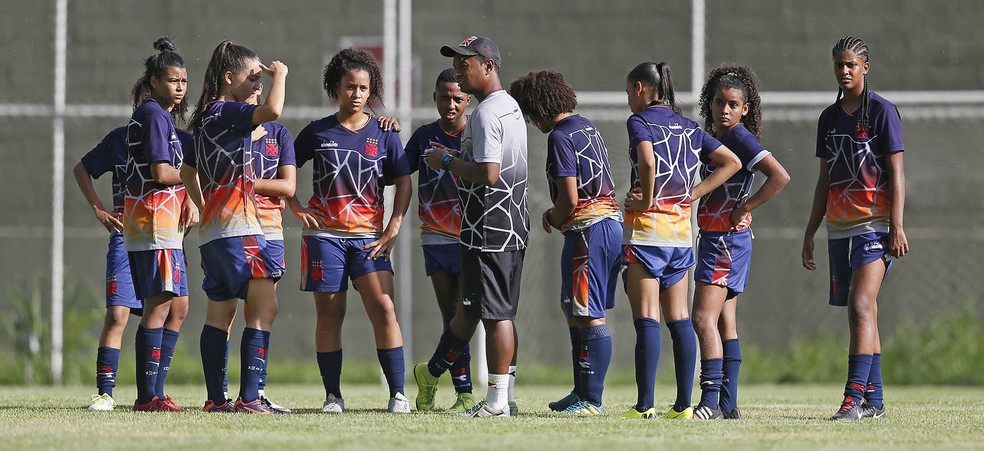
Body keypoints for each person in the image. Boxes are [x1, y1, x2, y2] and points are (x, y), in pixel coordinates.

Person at [289, 48, 412, 414]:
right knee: (330, 314)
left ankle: (398, 395)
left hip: (369, 239)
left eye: (363, 88)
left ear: (370, 90)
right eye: (349, 87)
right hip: (325, 238)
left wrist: (393, 226)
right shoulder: (317, 131)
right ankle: (333, 396)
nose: (356, 94)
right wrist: (295, 206)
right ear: (336, 89)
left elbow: (404, 184)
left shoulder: (385, 132)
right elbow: (284, 171)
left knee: (384, 310)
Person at [414, 35, 529, 418]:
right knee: (478, 314)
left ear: (488, 67)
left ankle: (496, 403)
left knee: (495, 316)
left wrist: (444, 162)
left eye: (466, 63)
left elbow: (489, 174)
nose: (460, 70)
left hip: (489, 229)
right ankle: (435, 376)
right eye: (458, 63)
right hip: (510, 225)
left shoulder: (485, 113)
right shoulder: (509, 106)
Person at [620, 61, 740, 419]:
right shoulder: (689, 127)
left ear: (641, 88)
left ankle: (644, 407)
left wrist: (644, 199)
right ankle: (684, 406)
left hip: (647, 233)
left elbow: (647, 161)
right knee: (679, 318)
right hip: (681, 236)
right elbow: (731, 162)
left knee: (646, 318)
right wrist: (694, 193)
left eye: (629, 92)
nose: (628, 100)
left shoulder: (639, 122)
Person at [802, 36, 908, 421]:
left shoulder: (882, 111)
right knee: (860, 310)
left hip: (876, 227)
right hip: (839, 228)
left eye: (851, 65)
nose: (844, 71)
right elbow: (824, 180)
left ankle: (852, 400)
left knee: (862, 305)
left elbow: (897, 174)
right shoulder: (828, 120)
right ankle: (874, 401)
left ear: (866, 67)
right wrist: (811, 230)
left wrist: (896, 225)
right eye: (838, 65)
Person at [181, 40, 288, 414]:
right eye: (253, 76)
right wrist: (283, 75)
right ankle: (250, 398)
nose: (259, 83)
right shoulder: (227, 111)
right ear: (229, 78)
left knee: (220, 313)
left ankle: (215, 400)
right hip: (238, 229)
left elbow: (187, 171)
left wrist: (205, 205)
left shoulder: (207, 116)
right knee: (265, 306)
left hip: (214, 233)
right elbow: (273, 110)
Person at [508, 69, 621, 415]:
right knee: (572, 307)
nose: (529, 120)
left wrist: (551, 217)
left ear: (540, 106)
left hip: (590, 229)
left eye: (529, 112)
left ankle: (593, 400)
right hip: (600, 229)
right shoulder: (586, 124)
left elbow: (570, 198)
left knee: (588, 312)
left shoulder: (560, 136)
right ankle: (581, 390)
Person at [691, 65, 790, 420]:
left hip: (725, 242)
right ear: (710, 103)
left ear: (745, 109)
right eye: (719, 102)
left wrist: (745, 206)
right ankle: (728, 405)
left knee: (701, 318)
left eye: (734, 104)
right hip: (722, 239)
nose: (726, 110)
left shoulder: (741, 139)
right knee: (723, 323)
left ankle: (710, 401)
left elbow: (780, 176)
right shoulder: (715, 137)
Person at [123, 37, 195, 412]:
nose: (180, 87)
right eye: (172, 80)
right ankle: (146, 397)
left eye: (183, 81)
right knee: (158, 305)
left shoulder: (163, 116)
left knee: (178, 305)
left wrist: (189, 201)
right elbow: (163, 172)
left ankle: (157, 390)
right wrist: (198, 179)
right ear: (153, 81)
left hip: (166, 225)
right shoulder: (152, 114)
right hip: (151, 222)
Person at [403, 68, 476, 413]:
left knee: (468, 312)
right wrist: (384, 130)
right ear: (434, 98)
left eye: (458, 98)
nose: (451, 103)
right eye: (444, 96)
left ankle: (430, 374)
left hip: (471, 236)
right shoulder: (423, 136)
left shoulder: (477, 132)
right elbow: (394, 171)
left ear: (468, 101)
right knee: (451, 315)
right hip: (435, 237)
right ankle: (463, 393)